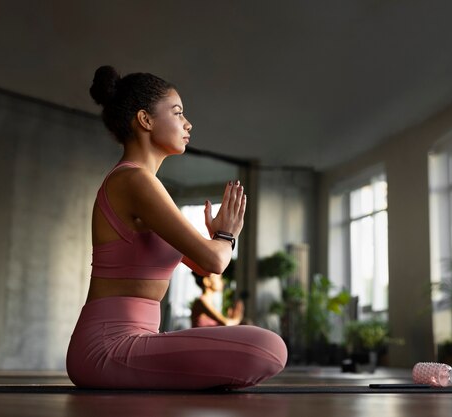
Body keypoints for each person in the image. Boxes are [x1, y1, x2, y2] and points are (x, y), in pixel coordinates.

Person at [66, 66, 287, 390]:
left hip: (133, 339)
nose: (188, 123)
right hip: (106, 346)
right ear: (145, 120)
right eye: (178, 112)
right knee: (269, 348)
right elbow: (215, 261)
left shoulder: (145, 184)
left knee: (263, 349)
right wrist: (226, 236)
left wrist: (216, 239)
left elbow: (205, 265)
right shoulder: (134, 181)